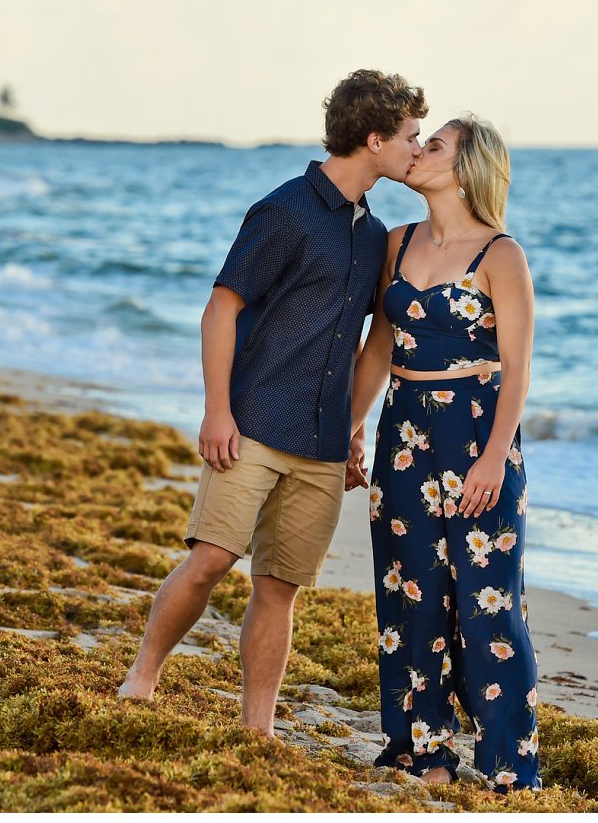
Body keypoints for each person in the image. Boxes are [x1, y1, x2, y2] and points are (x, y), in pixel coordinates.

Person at [118, 70, 428, 739]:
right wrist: (216, 411)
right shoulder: (283, 211)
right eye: (410, 136)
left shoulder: (376, 236)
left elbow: (372, 341)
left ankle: (256, 727)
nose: (417, 148)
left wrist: (351, 425)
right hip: (252, 424)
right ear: (373, 139)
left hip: (320, 444)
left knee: (279, 588)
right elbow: (220, 309)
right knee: (208, 562)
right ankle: (143, 673)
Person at [356, 113, 540, 791]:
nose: (418, 150)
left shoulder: (501, 255)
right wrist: (350, 426)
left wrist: (494, 458)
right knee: (412, 593)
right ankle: (422, 752)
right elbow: (381, 345)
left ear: (466, 169)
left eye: (433, 145)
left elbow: (518, 368)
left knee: (487, 603)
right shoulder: (395, 244)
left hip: (477, 439)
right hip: (403, 435)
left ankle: (507, 770)